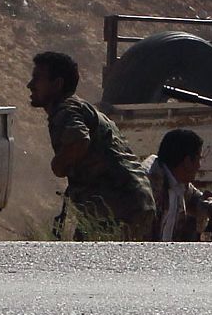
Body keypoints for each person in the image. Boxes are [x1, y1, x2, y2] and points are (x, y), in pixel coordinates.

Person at [27, 51, 156, 240]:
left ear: (57, 84)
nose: (30, 85)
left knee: (91, 263)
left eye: (37, 79)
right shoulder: (79, 107)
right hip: (130, 202)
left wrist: (59, 165)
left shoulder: (66, 109)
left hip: (118, 207)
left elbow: (79, 140)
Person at [144, 128, 212, 241]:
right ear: (187, 162)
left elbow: (195, 198)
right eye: (198, 159)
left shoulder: (177, 182)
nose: (199, 166)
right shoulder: (148, 186)